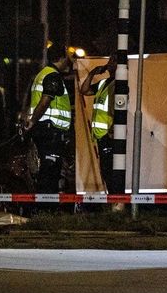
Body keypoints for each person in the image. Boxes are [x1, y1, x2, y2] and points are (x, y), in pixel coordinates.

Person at [23, 42, 74, 194]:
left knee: (46, 171)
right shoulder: (53, 76)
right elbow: (45, 100)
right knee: (50, 172)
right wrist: (32, 121)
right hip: (50, 131)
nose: (69, 61)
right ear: (60, 58)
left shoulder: (42, 74)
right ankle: (47, 209)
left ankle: (45, 208)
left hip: (44, 130)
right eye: (67, 57)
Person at [77, 56, 117, 192]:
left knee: (111, 171)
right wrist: (92, 73)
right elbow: (84, 90)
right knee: (106, 170)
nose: (110, 64)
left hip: (110, 135)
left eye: (114, 61)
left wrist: (113, 131)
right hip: (101, 135)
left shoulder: (120, 84)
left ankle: (116, 202)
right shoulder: (103, 83)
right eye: (110, 61)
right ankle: (113, 202)